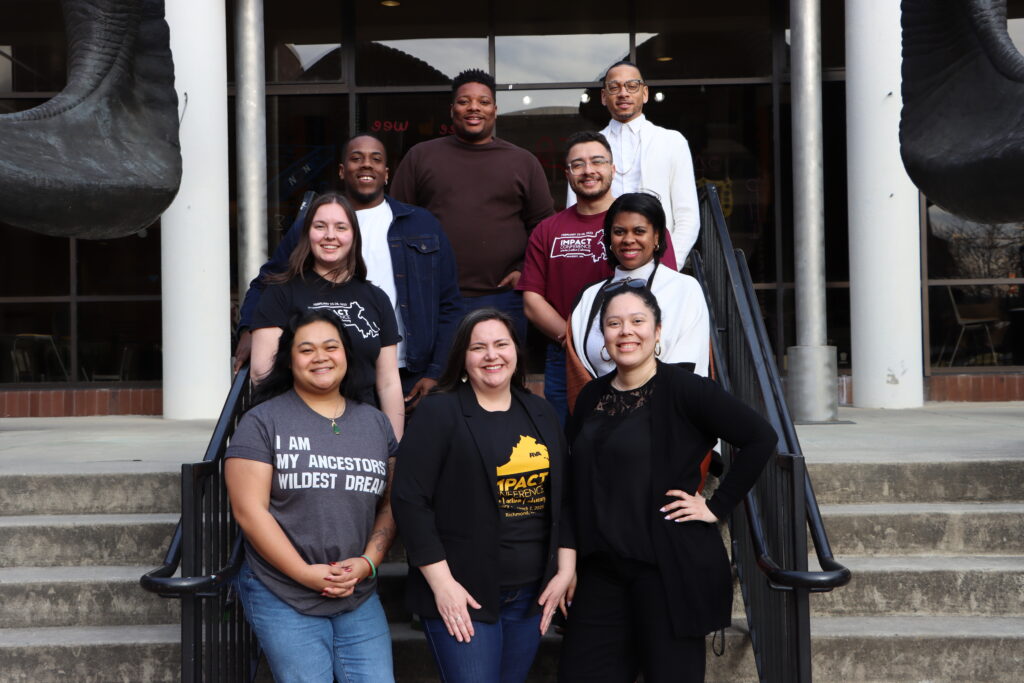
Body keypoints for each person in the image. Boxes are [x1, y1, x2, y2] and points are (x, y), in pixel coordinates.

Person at [559, 284, 777, 683]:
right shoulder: (591, 396)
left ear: (658, 331)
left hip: (666, 572)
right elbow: (574, 484)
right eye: (614, 323)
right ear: (603, 336)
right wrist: (567, 561)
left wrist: (715, 506)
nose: (626, 331)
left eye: (637, 321)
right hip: (601, 573)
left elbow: (761, 438)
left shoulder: (685, 389)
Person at [391, 308, 576, 683]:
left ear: (516, 353)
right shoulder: (439, 412)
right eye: (478, 347)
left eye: (501, 344)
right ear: (463, 357)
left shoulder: (540, 413)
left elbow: (565, 496)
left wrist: (566, 567)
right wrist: (443, 586)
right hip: (463, 594)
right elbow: (410, 502)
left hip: (531, 597)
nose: (492, 355)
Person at [225, 309, 398, 683]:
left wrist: (369, 562)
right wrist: (305, 573)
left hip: (356, 591)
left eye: (330, 346)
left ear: (346, 354)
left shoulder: (376, 423)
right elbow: (249, 511)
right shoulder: (262, 421)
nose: (320, 357)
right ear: (290, 359)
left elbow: (391, 505)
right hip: (282, 589)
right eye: (306, 349)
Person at [235, 134, 462, 409]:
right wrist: (248, 330)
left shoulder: (420, 224)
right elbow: (269, 280)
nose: (366, 165)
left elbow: (449, 304)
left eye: (376, 159)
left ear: (386, 173)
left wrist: (436, 372)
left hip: (408, 374)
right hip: (333, 375)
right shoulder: (315, 226)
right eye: (356, 159)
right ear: (342, 171)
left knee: (403, 449)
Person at [517, 131, 676, 426]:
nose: (588, 170)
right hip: (566, 354)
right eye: (578, 164)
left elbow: (665, 287)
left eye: (597, 161)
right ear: (567, 174)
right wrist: (574, 338)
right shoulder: (547, 230)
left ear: (613, 169)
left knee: (635, 433)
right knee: (569, 437)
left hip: (635, 347)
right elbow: (532, 299)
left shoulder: (641, 224)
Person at [390, 69, 554, 342]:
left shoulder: (522, 162)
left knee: (500, 377)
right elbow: (397, 220)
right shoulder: (421, 157)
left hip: (504, 299)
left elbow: (544, 228)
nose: (474, 107)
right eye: (465, 101)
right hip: (435, 298)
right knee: (437, 381)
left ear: (495, 109)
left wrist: (525, 272)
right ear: (452, 108)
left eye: (483, 101)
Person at [249, 191, 405, 438]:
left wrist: (394, 448)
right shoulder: (280, 293)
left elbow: (388, 383)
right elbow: (262, 373)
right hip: (297, 431)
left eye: (340, 227)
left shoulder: (376, 298)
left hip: (363, 432)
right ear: (307, 234)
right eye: (320, 226)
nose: (330, 235)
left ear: (353, 236)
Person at [567, 192, 709, 410]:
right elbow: (579, 375)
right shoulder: (588, 297)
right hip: (602, 424)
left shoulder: (685, 289)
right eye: (619, 232)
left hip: (670, 422)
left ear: (657, 238)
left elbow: (687, 369)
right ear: (609, 238)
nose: (628, 239)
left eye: (639, 231)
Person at [567, 60, 699, 269]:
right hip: (598, 263)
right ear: (603, 97)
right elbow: (574, 209)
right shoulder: (587, 148)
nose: (623, 93)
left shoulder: (672, 141)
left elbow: (688, 215)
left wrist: (667, 264)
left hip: (658, 263)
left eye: (632, 86)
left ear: (644, 93)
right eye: (614, 87)